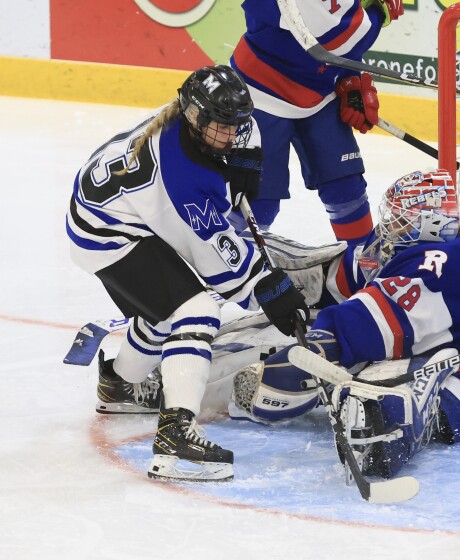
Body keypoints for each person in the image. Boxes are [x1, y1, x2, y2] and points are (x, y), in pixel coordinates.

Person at [66, 65, 309, 482]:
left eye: (235, 127)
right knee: (196, 311)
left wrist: (245, 165)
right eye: (221, 128)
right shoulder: (183, 184)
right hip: (106, 235)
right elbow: (227, 274)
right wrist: (276, 294)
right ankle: (176, 435)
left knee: (164, 309)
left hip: (116, 207)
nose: (231, 136)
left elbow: (245, 132)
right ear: (195, 118)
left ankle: (121, 385)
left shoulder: (206, 121)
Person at [228, 169, 460, 479]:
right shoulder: (415, 249)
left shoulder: (445, 261)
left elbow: (370, 322)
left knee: (381, 396)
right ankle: (369, 404)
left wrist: (318, 346)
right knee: (354, 377)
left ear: (430, 223)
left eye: (401, 219)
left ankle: (394, 426)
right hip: (442, 353)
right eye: (392, 216)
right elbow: (354, 282)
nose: (390, 226)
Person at [228, 0, 404, 247]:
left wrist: (350, 78)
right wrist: (379, 12)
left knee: (346, 187)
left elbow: (337, 30)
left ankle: (358, 269)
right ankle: (232, 265)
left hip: (320, 95)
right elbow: (337, 36)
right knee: (258, 202)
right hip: (261, 94)